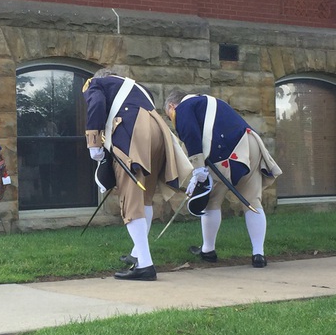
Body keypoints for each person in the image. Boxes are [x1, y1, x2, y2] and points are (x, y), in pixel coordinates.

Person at [83, 69, 191, 281]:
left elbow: (95, 104)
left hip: (134, 133)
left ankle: (146, 265)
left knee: (130, 199)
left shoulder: (97, 83)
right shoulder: (138, 87)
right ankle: (138, 254)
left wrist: (93, 143)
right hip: (159, 132)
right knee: (145, 197)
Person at [164, 89, 282, 268]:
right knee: (252, 201)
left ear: (172, 106)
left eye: (169, 114)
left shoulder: (183, 108)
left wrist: (198, 169)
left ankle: (208, 250)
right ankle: (258, 254)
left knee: (211, 201)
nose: (172, 119)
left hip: (225, 154)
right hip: (250, 145)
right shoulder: (214, 103)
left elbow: (190, 133)